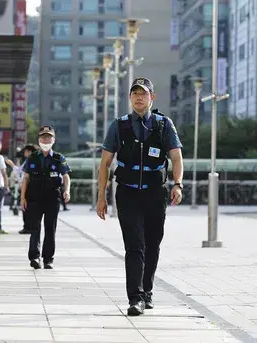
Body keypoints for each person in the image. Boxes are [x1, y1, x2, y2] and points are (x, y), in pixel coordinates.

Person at [96, 77, 184, 316]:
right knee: (135, 246)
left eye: (143, 93)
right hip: (127, 192)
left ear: (151, 97)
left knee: (153, 244)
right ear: (130, 97)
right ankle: (135, 298)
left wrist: (178, 184)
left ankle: (147, 292)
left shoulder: (164, 125)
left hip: (156, 193)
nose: (138, 97)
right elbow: (105, 164)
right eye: (135, 93)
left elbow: (176, 157)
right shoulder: (119, 125)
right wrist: (101, 197)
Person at [21, 126, 71, 269]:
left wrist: (67, 191)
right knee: (34, 228)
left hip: (52, 198)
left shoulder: (58, 158)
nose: (46, 140)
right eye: (43, 137)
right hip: (34, 198)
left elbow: (66, 176)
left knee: (50, 229)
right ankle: (34, 258)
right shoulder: (33, 157)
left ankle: (48, 259)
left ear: (53, 140)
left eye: (49, 137)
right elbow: (26, 178)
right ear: (39, 139)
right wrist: (22, 197)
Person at [5, 144, 37, 234]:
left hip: (27, 187)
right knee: (27, 207)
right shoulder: (31, 160)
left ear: (30, 152)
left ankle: (28, 227)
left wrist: (11, 165)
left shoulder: (30, 161)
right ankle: (28, 226)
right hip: (28, 186)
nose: (24, 153)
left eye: (26, 151)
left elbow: (20, 172)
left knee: (26, 207)